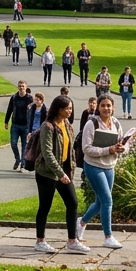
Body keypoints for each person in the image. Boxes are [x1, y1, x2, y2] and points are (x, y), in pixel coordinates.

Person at [34, 95, 88, 255]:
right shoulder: (48, 126)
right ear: (59, 109)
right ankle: (40, 241)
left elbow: (70, 150)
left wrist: (70, 170)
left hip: (64, 171)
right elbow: (47, 152)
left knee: (72, 202)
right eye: (67, 108)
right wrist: (60, 173)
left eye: (71, 108)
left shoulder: (67, 125)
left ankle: (72, 241)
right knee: (45, 206)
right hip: (47, 173)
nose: (70, 111)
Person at [77, 95, 128, 250]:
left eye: (109, 105)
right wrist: (109, 149)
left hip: (109, 166)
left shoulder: (116, 123)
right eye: (103, 105)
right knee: (107, 200)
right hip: (93, 166)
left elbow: (123, 144)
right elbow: (86, 148)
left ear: (113, 107)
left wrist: (121, 148)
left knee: (100, 202)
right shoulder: (91, 124)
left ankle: (81, 223)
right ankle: (108, 237)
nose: (106, 108)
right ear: (98, 107)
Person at [4, 79, 33, 172]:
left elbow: (33, 112)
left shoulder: (30, 98)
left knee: (24, 145)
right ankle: (17, 159)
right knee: (13, 143)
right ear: (18, 87)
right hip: (15, 124)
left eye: (23, 86)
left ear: (26, 87)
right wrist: (6, 121)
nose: (21, 88)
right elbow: (9, 109)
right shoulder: (14, 97)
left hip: (25, 125)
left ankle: (23, 164)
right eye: (20, 86)